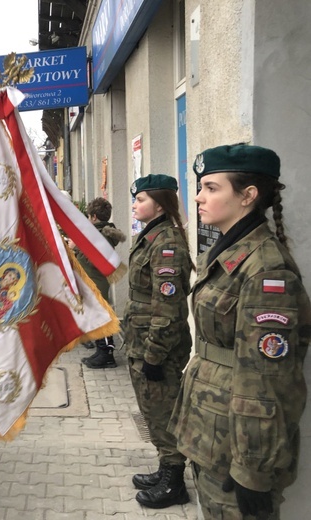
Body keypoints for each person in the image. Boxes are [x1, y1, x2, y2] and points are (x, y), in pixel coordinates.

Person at [170, 144, 310, 519]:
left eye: (212, 188)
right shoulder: (228, 251)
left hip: (238, 449)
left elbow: (266, 380)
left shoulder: (266, 271)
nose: (199, 197)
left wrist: (252, 470)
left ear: (248, 196)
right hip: (213, 435)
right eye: (202, 187)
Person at [125, 174, 194, 509]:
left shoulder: (166, 244)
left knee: (164, 412)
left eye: (140, 199)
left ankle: (174, 481)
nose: (135, 205)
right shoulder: (152, 236)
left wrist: (154, 355)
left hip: (158, 349)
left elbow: (168, 309)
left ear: (160, 203)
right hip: (142, 343)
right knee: (153, 411)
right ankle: (165, 467)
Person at [71, 197, 127, 369]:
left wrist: (76, 244)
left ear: (94, 217)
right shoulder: (103, 233)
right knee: (98, 316)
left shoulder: (95, 235)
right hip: (95, 281)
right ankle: (101, 351)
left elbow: (85, 254)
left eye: (89, 217)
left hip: (95, 283)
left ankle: (106, 354)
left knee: (100, 317)